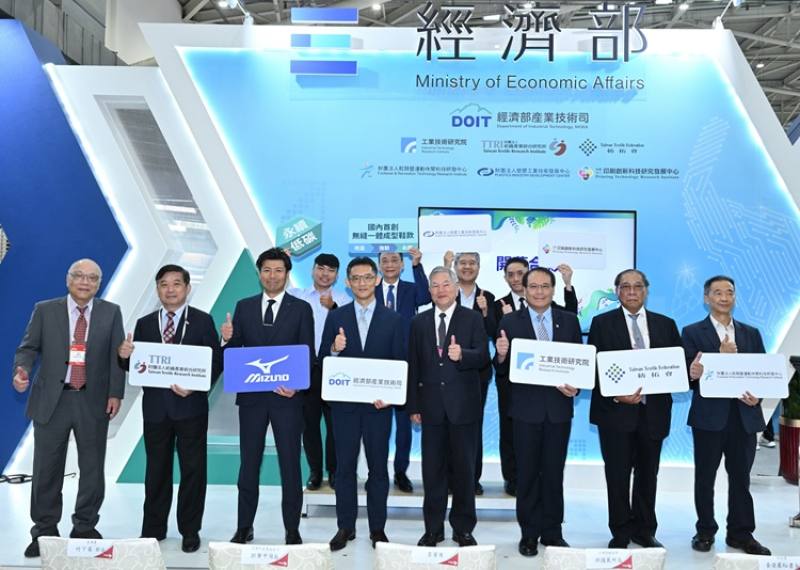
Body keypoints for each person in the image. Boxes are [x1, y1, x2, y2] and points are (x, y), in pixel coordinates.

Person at [12, 259, 125, 558]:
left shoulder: (111, 312)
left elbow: (116, 356)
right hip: (53, 400)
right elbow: (27, 348)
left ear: (99, 284)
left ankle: (84, 526)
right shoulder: (45, 310)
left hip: (93, 400)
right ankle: (44, 531)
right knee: (46, 469)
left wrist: (116, 393)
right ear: (68, 279)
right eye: (79, 276)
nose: (85, 282)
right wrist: (22, 370)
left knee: (92, 469)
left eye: (92, 278)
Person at [117, 264, 222, 553]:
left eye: (176, 283)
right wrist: (124, 356)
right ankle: (153, 529)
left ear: (187, 288)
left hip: (191, 408)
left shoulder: (202, 321)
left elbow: (215, 362)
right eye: (164, 284)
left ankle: (190, 530)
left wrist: (196, 386)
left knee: (193, 472)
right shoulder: (145, 323)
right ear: (157, 289)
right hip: (156, 410)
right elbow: (137, 365)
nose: (170, 289)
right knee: (156, 471)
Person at [220, 247, 315, 546]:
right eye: (266, 270)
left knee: (290, 465)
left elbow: (307, 353)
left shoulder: (301, 309)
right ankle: (244, 527)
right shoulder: (244, 306)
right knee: (248, 465)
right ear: (259, 273)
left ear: (287, 274)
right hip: (252, 399)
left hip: (287, 399)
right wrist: (226, 338)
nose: (272, 276)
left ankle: (292, 529)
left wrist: (297, 386)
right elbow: (234, 353)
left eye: (278, 270)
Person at [588, 269, 681, 549]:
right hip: (615, 413)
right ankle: (620, 531)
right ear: (617, 291)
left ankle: (644, 530)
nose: (631, 291)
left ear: (646, 290)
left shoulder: (666, 324)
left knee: (647, 475)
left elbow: (676, 368)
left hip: (654, 413)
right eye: (625, 286)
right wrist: (616, 395)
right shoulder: (601, 323)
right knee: (617, 476)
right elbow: (593, 368)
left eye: (637, 286)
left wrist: (693, 370)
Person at [318, 257, 406, 551]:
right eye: (355, 278)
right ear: (348, 282)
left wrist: (391, 396)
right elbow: (322, 359)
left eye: (367, 277)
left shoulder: (394, 319)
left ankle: (377, 528)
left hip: (378, 408)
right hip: (344, 407)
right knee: (344, 469)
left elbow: (400, 363)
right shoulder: (336, 317)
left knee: (378, 469)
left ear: (377, 280)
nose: (362, 283)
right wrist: (334, 348)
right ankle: (345, 526)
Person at [494, 267, 581, 557]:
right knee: (528, 474)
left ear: (553, 289)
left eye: (545, 286)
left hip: (558, 410)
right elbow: (502, 371)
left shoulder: (569, 321)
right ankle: (529, 534)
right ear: (525, 289)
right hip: (525, 411)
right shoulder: (509, 321)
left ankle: (553, 532)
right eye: (533, 286)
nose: (539, 291)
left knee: (554, 473)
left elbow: (579, 363)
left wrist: (576, 387)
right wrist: (502, 355)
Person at [682, 275, 771, 556]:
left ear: (734, 297)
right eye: (717, 292)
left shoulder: (750, 333)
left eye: (729, 292)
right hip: (709, 417)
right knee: (705, 477)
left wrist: (759, 396)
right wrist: (712, 359)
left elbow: (762, 372)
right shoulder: (692, 332)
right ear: (706, 298)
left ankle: (741, 534)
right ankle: (705, 531)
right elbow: (687, 375)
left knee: (741, 478)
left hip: (744, 416)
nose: (724, 297)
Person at [407, 266, 489, 547]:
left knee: (464, 472)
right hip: (430, 409)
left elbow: (483, 357)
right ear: (429, 290)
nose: (440, 290)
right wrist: (413, 406)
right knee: (432, 473)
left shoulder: (472, 318)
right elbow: (413, 365)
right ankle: (433, 529)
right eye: (435, 285)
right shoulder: (418, 322)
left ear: (455, 287)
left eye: (446, 284)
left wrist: (463, 354)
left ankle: (463, 528)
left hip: (463, 409)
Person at [288, 253, 351, 490]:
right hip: (305, 369)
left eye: (331, 270)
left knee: (335, 426)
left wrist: (333, 307)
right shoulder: (298, 296)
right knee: (309, 425)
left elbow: (351, 328)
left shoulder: (344, 299)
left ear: (337, 275)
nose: (325, 274)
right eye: (321, 268)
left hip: (335, 369)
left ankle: (334, 471)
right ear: (312, 270)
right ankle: (315, 471)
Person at [375, 248, 431, 493]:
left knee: (404, 426)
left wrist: (418, 266)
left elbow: (426, 296)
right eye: (385, 261)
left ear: (402, 265)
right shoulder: (370, 290)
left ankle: (400, 472)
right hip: (377, 365)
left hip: (407, 365)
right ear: (379, 265)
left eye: (394, 260)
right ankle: (376, 472)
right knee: (377, 424)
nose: (389, 264)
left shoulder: (410, 289)